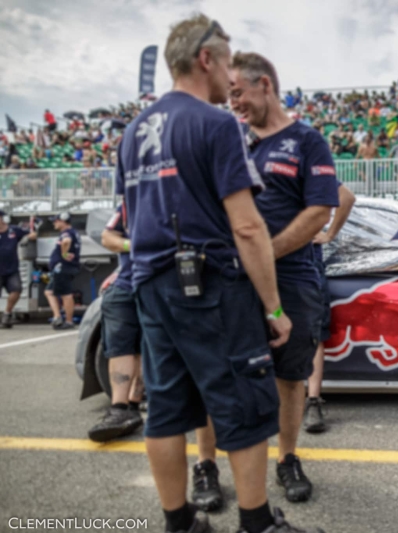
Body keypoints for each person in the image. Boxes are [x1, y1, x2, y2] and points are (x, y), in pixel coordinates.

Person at [117, 15, 320, 533]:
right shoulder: (215, 124)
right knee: (248, 403)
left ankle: (178, 521)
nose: (229, 78)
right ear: (205, 58)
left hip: (151, 285)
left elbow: (134, 217)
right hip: (210, 284)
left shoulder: (134, 131)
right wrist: (273, 308)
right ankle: (257, 523)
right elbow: (248, 228)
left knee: (164, 410)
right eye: (226, 61)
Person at [230, 51, 339, 504]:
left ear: (265, 85)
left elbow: (320, 210)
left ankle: (287, 457)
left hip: (293, 277)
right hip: (233, 280)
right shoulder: (231, 140)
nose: (232, 102)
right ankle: (206, 464)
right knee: (227, 374)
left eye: (238, 92)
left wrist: (265, 255)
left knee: (290, 375)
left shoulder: (306, 140)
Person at [87, 206, 145, 443]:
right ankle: (119, 409)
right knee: (120, 346)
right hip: (125, 285)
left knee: (147, 346)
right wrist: (133, 247)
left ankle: (133, 404)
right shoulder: (130, 204)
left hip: (159, 284)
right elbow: (107, 237)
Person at [305, 183, 356, 433]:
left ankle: (313, 400)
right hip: (293, 264)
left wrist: (329, 235)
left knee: (311, 333)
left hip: (303, 263)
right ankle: (310, 402)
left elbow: (346, 196)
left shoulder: (305, 163)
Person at [0, 210, 36, 328]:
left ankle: (7, 313)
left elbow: (31, 234)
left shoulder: (13, 230)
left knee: (16, 290)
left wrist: (28, 237)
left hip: (11, 269)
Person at [45, 212, 80, 330]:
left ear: (63, 220)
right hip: (63, 268)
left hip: (63, 268)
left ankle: (69, 321)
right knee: (49, 291)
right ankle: (57, 316)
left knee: (66, 294)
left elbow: (66, 241)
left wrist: (64, 253)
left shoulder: (67, 233)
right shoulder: (72, 232)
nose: (54, 223)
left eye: (56, 220)